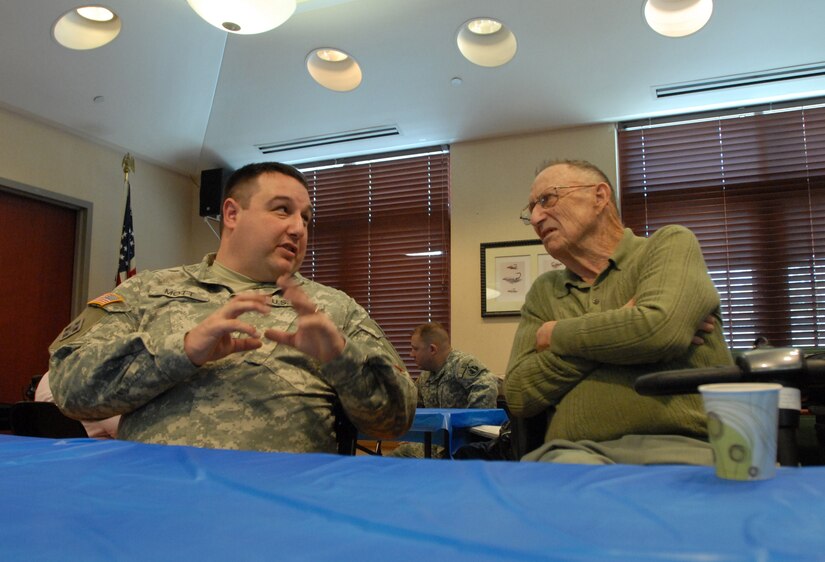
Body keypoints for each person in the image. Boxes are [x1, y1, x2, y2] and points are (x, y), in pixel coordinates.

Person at [48, 162, 416, 454]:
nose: (299, 228)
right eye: (282, 211)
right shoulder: (148, 289)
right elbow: (69, 390)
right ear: (232, 214)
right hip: (154, 501)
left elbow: (396, 421)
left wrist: (342, 358)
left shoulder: (333, 309)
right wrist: (184, 349)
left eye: (305, 218)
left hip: (282, 511)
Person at [505, 159, 733, 465]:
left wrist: (556, 334)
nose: (535, 217)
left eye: (547, 199)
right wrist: (622, 328)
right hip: (573, 455)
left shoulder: (668, 245)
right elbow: (518, 393)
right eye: (530, 209)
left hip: (683, 447)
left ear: (600, 196)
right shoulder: (545, 291)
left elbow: (659, 331)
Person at [390, 322, 499, 458]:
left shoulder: (462, 365)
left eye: (415, 349)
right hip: (435, 445)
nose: (411, 354)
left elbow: (487, 387)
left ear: (432, 349)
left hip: (460, 449)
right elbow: (413, 405)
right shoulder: (425, 376)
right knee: (391, 460)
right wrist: (398, 383)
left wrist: (468, 427)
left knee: (396, 463)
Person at [35, 372, 119, 439]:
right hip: (95, 455)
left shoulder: (47, 377)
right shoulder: (99, 384)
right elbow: (125, 434)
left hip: (53, 454)